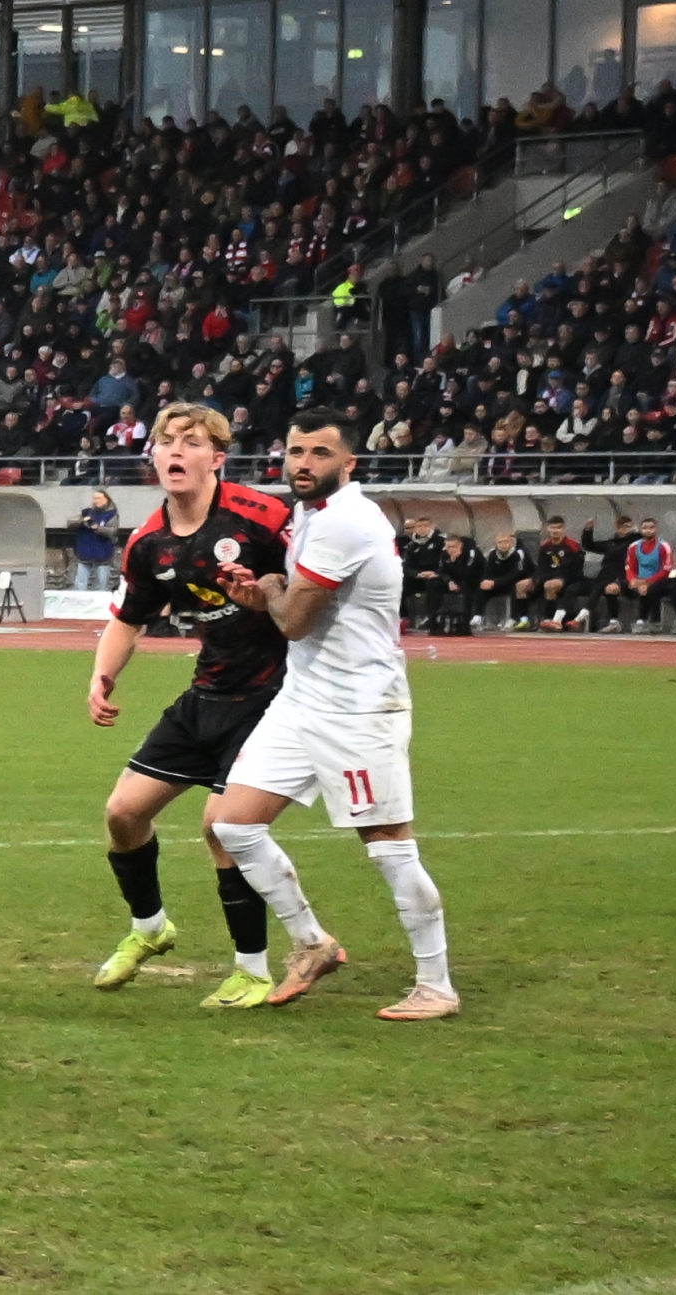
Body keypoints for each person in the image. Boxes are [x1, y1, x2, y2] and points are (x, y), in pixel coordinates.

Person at [214, 407, 459, 1022]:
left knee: (388, 846)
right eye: (296, 451)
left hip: (359, 709)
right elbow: (296, 611)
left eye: (319, 453)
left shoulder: (345, 521)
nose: (303, 464)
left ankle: (436, 986)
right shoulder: (311, 513)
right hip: (303, 699)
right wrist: (265, 595)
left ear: (350, 462)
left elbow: (296, 620)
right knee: (233, 824)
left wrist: (272, 590)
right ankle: (312, 943)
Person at [87, 403, 314, 1010]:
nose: (176, 451)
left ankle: (252, 970)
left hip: (272, 696)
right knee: (123, 814)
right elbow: (128, 618)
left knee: (222, 828)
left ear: (217, 457)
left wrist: (268, 594)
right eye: (167, 441)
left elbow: (315, 591)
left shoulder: (265, 518)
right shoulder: (149, 542)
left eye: (191, 442)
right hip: (207, 692)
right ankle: (150, 928)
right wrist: (102, 676)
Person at [582, 516, 641, 632]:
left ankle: (585, 614)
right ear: (617, 528)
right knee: (603, 586)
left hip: (627, 578)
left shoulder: (635, 543)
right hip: (608, 578)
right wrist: (588, 530)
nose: (626, 530)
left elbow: (643, 540)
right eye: (623, 527)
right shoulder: (611, 544)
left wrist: (636, 532)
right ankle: (611, 621)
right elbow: (588, 545)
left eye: (628, 527)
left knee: (608, 587)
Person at [534, 516, 588, 631]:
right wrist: (537, 579)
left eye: (558, 528)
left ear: (564, 529)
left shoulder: (572, 546)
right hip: (551, 577)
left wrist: (561, 579)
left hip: (573, 579)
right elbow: (542, 568)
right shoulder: (545, 547)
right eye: (552, 528)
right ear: (547, 528)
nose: (555, 531)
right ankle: (522, 619)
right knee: (524, 586)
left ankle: (551, 618)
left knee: (551, 586)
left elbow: (575, 569)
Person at [623, 518, 676, 632]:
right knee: (615, 587)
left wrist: (647, 582)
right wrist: (633, 580)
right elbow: (629, 566)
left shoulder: (664, 546)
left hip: (660, 581)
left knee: (652, 589)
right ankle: (634, 621)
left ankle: (652, 621)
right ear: (641, 530)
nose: (648, 530)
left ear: (656, 529)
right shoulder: (633, 546)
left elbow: (666, 570)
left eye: (651, 527)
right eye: (645, 528)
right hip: (639, 580)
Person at [478, 531, 537, 630]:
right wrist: (486, 581)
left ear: (511, 542)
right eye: (500, 542)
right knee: (482, 588)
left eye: (506, 542)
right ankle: (478, 617)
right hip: (501, 582)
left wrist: (495, 582)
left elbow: (517, 574)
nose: (503, 545)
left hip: (522, 581)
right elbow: (488, 571)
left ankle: (515, 619)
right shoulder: (493, 554)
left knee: (516, 588)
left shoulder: (518, 553)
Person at [72, 490, 118, 590]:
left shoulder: (111, 514)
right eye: (95, 498)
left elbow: (112, 531)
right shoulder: (87, 512)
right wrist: (81, 521)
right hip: (85, 552)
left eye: (99, 498)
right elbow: (70, 523)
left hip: (103, 553)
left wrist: (98, 528)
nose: (96, 501)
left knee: (101, 584)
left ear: (106, 499)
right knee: (80, 583)